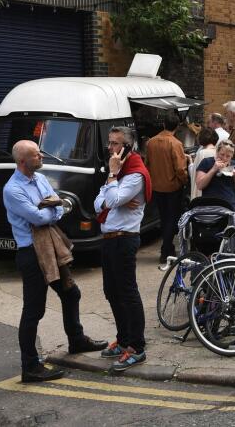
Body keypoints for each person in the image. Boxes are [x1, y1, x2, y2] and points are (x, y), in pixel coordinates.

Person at [4, 139, 107, 383]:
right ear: (22, 161)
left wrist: (50, 208)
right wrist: (51, 209)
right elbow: (38, 217)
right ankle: (30, 366)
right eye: (36, 155)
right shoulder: (12, 189)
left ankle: (76, 340)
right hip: (32, 254)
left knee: (71, 293)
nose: (41, 157)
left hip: (50, 247)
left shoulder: (40, 178)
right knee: (34, 310)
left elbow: (59, 206)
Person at [93, 126, 152, 372]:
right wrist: (113, 190)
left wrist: (112, 177)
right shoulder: (119, 173)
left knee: (127, 293)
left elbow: (112, 199)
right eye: (109, 143)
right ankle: (123, 339)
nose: (110, 148)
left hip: (124, 239)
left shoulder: (134, 173)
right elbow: (98, 203)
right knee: (111, 291)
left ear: (128, 146)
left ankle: (137, 347)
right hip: (109, 238)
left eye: (115, 143)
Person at [145, 110, 189, 263]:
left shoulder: (151, 142)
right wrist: (184, 180)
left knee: (164, 218)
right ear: (177, 126)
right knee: (171, 218)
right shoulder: (175, 143)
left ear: (163, 124)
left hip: (156, 186)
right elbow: (180, 169)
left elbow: (147, 164)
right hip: (172, 187)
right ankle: (166, 249)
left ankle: (167, 248)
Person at [194, 139, 235, 210]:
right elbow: (199, 185)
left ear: (231, 156)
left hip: (229, 205)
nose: (224, 158)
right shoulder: (206, 162)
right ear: (217, 152)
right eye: (222, 154)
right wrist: (213, 169)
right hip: (209, 205)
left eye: (228, 156)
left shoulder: (233, 164)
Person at [189, 127, 219, 201]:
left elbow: (194, 173)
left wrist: (190, 162)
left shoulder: (202, 153)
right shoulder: (219, 152)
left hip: (202, 193)